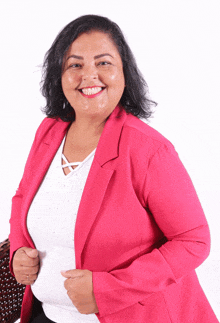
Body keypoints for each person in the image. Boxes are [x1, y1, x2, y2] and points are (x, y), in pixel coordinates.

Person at [9, 14, 219, 323]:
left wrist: (106, 289)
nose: (89, 75)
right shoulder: (49, 131)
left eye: (104, 63)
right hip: (47, 315)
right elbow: (22, 197)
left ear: (124, 73)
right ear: (59, 75)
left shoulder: (148, 150)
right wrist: (19, 250)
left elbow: (193, 241)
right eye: (75, 65)